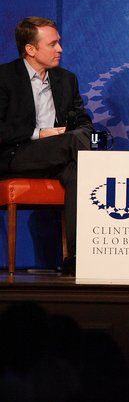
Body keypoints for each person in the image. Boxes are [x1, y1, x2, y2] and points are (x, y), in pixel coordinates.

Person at [0, 17, 93, 275]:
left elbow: (83, 121)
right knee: (77, 143)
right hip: (16, 155)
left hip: (60, 154)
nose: (60, 49)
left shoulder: (66, 79)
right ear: (30, 49)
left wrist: (77, 132)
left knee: (77, 170)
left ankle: (78, 256)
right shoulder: (5, 77)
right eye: (53, 44)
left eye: (59, 43)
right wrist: (40, 134)